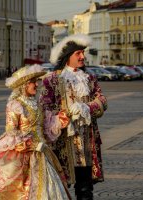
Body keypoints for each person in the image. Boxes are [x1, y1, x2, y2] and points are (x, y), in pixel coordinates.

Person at [0, 64, 71, 200]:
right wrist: (31, 144)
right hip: (23, 154)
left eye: (36, 82)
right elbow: (11, 132)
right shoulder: (15, 105)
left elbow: (46, 125)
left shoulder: (37, 104)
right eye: (33, 82)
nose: (36, 85)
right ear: (24, 85)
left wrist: (63, 116)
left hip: (43, 153)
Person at [40, 34, 108, 200]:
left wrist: (86, 107)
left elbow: (102, 101)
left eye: (83, 53)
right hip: (64, 143)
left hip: (87, 142)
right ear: (67, 56)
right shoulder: (52, 80)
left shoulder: (89, 78)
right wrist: (63, 116)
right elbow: (45, 109)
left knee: (86, 187)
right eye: (78, 53)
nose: (82, 56)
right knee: (60, 188)